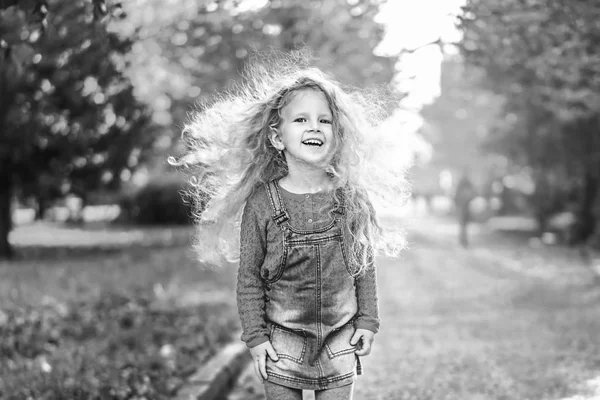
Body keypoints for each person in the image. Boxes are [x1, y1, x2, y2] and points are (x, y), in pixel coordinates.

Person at [170, 52, 409, 400]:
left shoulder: (351, 199)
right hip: (281, 343)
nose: (314, 127)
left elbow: (363, 267)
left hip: (339, 340)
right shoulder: (262, 203)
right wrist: (255, 338)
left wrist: (368, 321)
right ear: (277, 138)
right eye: (301, 119)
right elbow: (250, 278)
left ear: (338, 135)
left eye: (324, 121)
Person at [453, 170, 476, 247]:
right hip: (462, 207)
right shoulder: (463, 183)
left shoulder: (466, 184)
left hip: (465, 207)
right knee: (463, 225)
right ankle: (463, 241)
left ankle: (463, 241)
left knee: (464, 225)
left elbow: (473, 194)